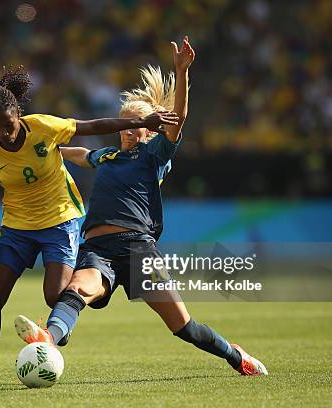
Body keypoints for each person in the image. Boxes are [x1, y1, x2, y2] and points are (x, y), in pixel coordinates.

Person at [14, 37, 268, 376]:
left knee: (184, 328)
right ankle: (47, 339)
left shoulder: (153, 156)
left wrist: (181, 72)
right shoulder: (106, 156)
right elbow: (77, 154)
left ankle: (236, 356)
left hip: (137, 249)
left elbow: (178, 119)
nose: (132, 130)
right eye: (128, 124)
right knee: (78, 289)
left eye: (139, 125)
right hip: (96, 248)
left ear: (150, 131)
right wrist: (45, 151)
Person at [0, 66, 180, 387]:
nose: (3, 133)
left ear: (18, 116)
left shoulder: (44, 127)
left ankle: (59, 326)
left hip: (60, 221)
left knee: (55, 296)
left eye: (7, 125)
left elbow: (92, 126)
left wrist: (139, 122)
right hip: (17, 227)